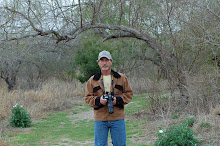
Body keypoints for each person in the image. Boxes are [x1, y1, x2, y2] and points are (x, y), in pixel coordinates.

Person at [85, 50, 133, 146]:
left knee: (120, 144)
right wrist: (99, 100)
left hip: (117, 118)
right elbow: (87, 98)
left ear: (111, 61)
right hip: (100, 119)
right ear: (98, 63)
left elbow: (129, 94)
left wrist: (117, 100)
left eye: (106, 60)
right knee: (100, 144)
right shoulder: (92, 80)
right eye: (102, 60)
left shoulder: (121, 78)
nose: (104, 63)